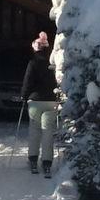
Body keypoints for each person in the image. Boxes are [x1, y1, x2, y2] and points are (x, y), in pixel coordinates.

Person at [20, 30, 61, 178]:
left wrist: (24, 96)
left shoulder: (33, 63)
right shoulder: (54, 64)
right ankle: (47, 162)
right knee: (48, 132)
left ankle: (32, 159)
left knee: (35, 130)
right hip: (51, 100)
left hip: (35, 101)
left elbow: (28, 81)